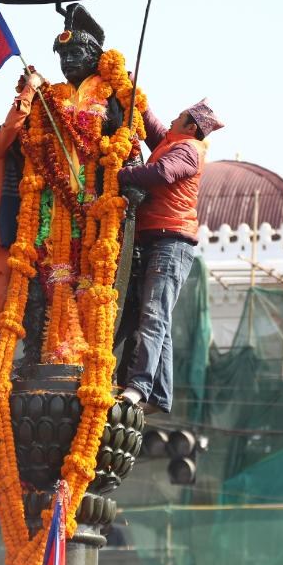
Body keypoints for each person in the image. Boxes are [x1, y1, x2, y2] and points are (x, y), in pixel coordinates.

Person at [116, 98, 224, 413]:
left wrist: (120, 175)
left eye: (179, 116)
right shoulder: (173, 141)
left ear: (191, 126)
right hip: (156, 238)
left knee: (153, 314)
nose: (172, 119)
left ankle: (139, 385)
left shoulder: (189, 150)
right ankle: (159, 394)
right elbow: (152, 125)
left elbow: (162, 173)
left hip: (171, 240)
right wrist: (130, 90)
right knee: (153, 314)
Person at [0, 69, 41, 370]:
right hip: (1, 249)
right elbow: (12, 125)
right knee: (2, 319)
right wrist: (29, 90)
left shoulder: (26, 171)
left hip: (27, 249)